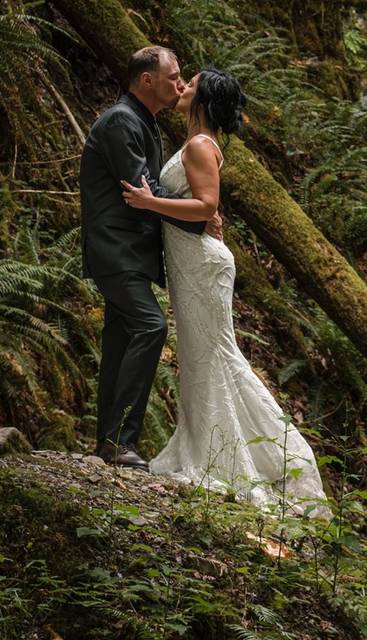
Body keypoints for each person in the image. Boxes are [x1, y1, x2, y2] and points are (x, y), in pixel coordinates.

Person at [121, 67, 328, 517]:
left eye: (189, 84)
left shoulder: (198, 145)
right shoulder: (197, 143)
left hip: (202, 266)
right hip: (194, 263)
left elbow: (207, 206)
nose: (181, 87)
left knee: (215, 355)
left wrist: (149, 202)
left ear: (203, 98)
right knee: (202, 358)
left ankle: (285, 461)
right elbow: (202, 205)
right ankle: (211, 450)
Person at [80, 46, 223, 469]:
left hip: (130, 251)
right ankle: (122, 441)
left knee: (121, 339)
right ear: (147, 80)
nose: (179, 84)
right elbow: (143, 189)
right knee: (150, 326)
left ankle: (109, 442)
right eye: (173, 76)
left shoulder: (144, 122)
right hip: (116, 248)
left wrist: (201, 211)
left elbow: (153, 194)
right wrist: (201, 214)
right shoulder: (123, 121)